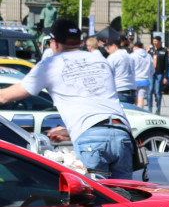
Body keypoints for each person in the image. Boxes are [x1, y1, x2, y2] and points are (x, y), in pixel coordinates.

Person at [0, 19, 133, 178]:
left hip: (92, 140)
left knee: (97, 198)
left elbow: (5, 96)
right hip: (123, 134)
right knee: (123, 197)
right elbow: (97, 110)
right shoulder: (99, 60)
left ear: (55, 43)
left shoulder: (51, 64)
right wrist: (68, 131)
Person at [98, 30, 136, 106]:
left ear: (114, 46)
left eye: (108, 47)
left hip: (120, 89)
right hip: (132, 89)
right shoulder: (129, 56)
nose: (107, 50)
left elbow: (106, 74)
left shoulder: (113, 57)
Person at [130, 39, 154, 107]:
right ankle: (140, 113)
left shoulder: (132, 55)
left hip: (134, 80)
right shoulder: (148, 56)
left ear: (135, 47)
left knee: (134, 100)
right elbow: (152, 70)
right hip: (144, 80)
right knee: (141, 99)